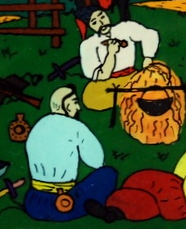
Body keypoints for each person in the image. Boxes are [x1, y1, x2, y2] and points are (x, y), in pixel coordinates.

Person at [85, 117, 186, 222]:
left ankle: (115, 211)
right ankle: (113, 209)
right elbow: (179, 173)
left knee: (151, 197)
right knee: (141, 180)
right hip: (179, 189)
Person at [23, 85, 118, 221]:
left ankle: (89, 205)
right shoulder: (75, 126)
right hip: (66, 202)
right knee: (108, 173)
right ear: (66, 106)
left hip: (34, 203)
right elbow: (97, 161)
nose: (78, 108)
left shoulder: (38, 125)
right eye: (75, 102)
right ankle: (90, 205)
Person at [76, 6, 160, 111]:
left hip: (130, 77)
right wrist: (111, 54)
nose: (101, 23)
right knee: (90, 98)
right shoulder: (88, 44)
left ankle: (127, 96)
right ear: (90, 26)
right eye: (94, 22)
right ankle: (129, 96)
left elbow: (150, 34)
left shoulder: (124, 28)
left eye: (102, 17)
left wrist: (148, 57)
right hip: (106, 82)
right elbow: (101, 75)